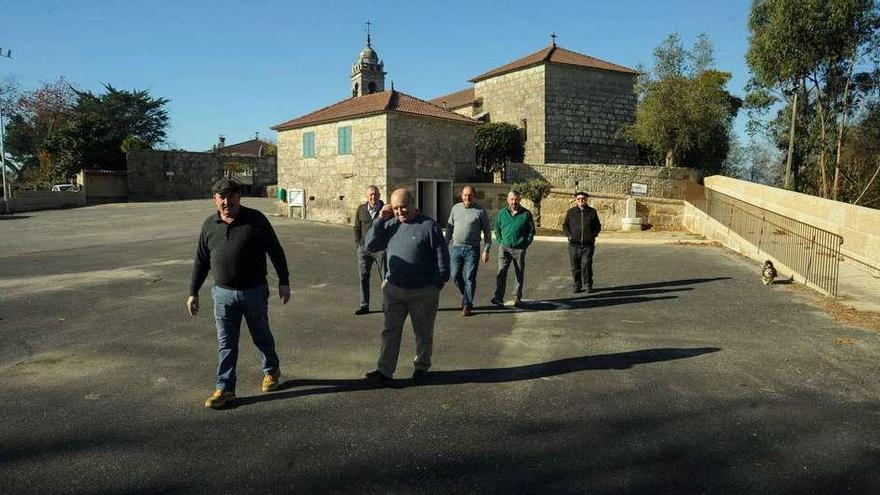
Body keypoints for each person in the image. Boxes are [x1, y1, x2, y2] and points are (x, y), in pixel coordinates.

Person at [187, 178, 291, 409]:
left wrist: (284, 281)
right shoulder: (209, 225)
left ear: (239, 197)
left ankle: (271, 369)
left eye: (231, 196)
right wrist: (193, 292)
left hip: (254, 292)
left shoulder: (256, 220)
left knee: (261, 334)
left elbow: (275, 250)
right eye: (221, 197)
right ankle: (225, 388)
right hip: (222, 295)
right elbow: (201, 260)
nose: (226, 201)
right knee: (226, 343)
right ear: (214, 200)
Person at [363, 188, 450, 385]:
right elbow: (369, 246)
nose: (400, 212)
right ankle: (385, 370)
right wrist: (380, 221)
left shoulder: (429, 226)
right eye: (395, 208)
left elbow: (442, 258)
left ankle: (421, 367)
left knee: (423, 333)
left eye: (403, 207)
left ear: (413, 204)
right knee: (390, 331)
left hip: (423, 291)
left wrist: (437, 284)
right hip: (394, 290)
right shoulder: (390, 224)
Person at [445, 185, 491, 316]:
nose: (467, 197)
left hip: (472, 249)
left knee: (470, 277)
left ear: (474, 196)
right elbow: (449, 228)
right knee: (455, 275)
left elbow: (487, 232)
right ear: (461, 196)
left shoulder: (480, 211)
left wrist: (486, 250)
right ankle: (467, 295)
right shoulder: (455, 208)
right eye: (465, 195)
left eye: (470, 195)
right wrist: (444, 243)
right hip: (456, 248)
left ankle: (467, 305)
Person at [491, 190, 535, 309]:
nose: (514, 202)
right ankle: (499, 298)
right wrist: (501, 242)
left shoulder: (526, 214)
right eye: (511, 199)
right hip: (504, 248)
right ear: (508, 200)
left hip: (519, 249)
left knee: (519, 274)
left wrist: (525, 243)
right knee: (501, 273)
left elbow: (531, 231)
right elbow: (497, 229)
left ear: (519, 200)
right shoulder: (502, 213)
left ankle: (517, 298)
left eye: (516, 199)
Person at [353, 185, 387, 315]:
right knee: (363, 277)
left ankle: (386, 304)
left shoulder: (385, 209)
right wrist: (358, 245)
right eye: (371, 195)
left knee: (385, 277)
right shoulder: (361, 209)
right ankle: (364, 305)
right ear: (367, 196)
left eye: (375, 194)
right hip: (364, 249)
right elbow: (356, 227)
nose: (373, 197)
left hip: (381, 249)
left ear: (379, 195)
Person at [562, 191, 601, 293]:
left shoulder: (592, 212)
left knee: (586, 265)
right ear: (576, 200)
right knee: (575, 267)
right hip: (574, 245)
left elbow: (598, 226)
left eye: (583, 198)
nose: (581, 200)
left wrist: (593, 235)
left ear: (586, 199)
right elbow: (565, 226)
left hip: (587, 246)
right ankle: (577, 285)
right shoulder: (571, 212)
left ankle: (588, 285)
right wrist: (569, 236)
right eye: (578, 199)